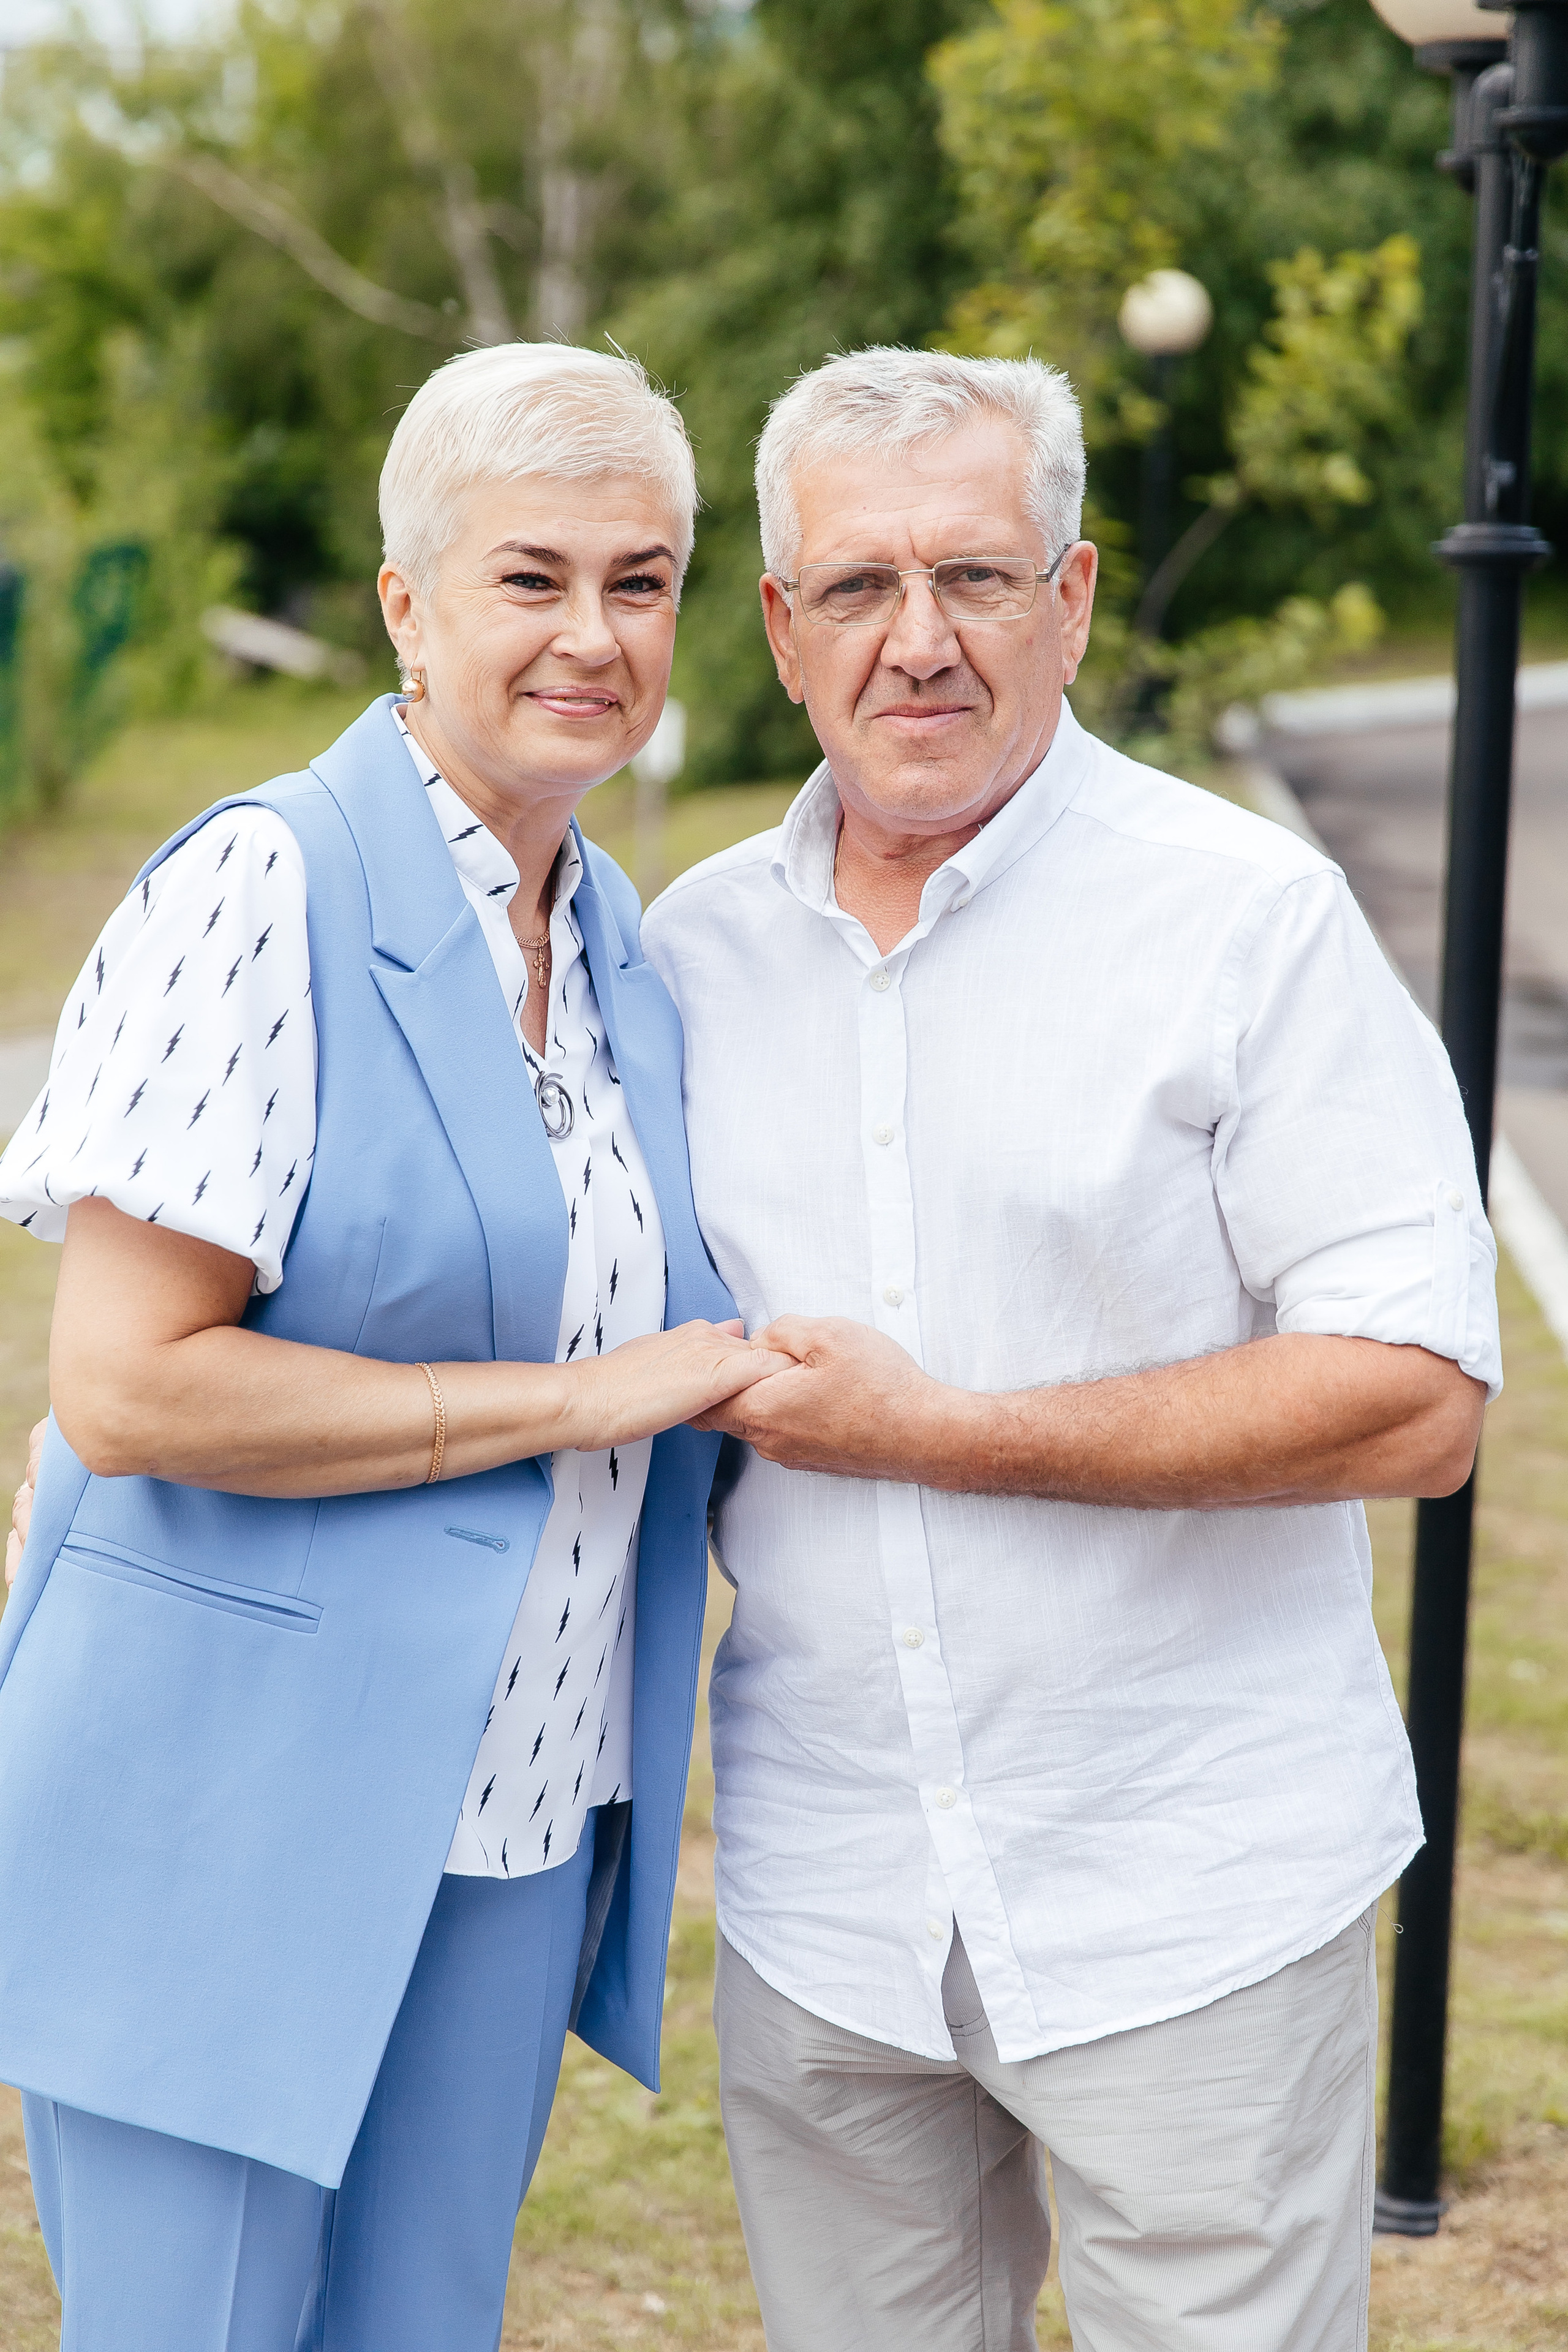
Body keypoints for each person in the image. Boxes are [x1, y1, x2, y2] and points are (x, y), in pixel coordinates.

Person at [639, 348, 1502, 2352]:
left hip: (1183, 1893)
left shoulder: (1245, 923)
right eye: (856, 588)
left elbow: (1419, 1393)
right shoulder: (685, 952)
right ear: (779, 627)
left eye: (980, 578)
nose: (918, 643)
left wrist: (944, 1431)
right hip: (827, 1905)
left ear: (1078, 597)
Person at [0, 341, 790, 2352]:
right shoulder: (259, 887)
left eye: (642, 579)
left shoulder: (616, 930)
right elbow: (131, 1382)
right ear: (406, 605)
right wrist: (579, 1404)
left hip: (523, 1803)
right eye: (532, 577)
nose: (595, 637)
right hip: (234, 1804)